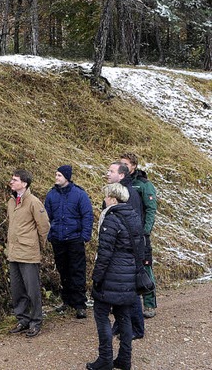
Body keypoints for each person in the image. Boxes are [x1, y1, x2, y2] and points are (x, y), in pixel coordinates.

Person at [87, 182, 143, 370]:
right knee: (124, 317)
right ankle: (124, 359)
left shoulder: (111, 219)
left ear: (112, 198)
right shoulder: (134, 217)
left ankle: (105, 359)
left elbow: (105, 253)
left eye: (105, 196)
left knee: (101, 315)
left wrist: (97, 278)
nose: (104, 200)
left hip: (111, 276)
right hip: (128, 276)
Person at [44, 164, 94, 319]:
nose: (56, 177)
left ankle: (80, 304)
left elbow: (87, 215)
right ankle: (67, 300)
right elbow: (46, 217)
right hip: (58, 239)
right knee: (63, 270)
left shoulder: (79, 194)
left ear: (66, 177)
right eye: (56, 174)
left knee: (77, 271)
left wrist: (84, 236)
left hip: (74, 239)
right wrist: (50, 235)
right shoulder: (51, 195)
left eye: (59, 175)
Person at [6, 169, 50, 338]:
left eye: (15, 179)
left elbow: (44, 226)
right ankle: (22, 319)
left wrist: (37, 246)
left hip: (28, 253)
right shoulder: (11, 201)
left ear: (24, 183)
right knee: (17, 290)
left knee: (32, 290)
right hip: (14, 252)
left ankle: (35, 321)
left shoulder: (33, 202)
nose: (11, 182)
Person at [105, 162, 145, 340]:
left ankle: (137, 327)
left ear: (121, 175)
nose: (107, 173)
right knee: (121, 290)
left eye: (111, 171)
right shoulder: (114, 191)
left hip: (128, 251)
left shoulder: (130, 194)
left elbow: (133, 223)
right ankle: (121, 324)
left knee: (130, 292)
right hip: (120, 249)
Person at [120, 152, 158, 318]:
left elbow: (151, 209)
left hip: (140, 235)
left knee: (145, 268)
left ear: (134, 166)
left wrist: (146, 231)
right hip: (124, 234)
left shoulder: (143, 184)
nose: (123, 166)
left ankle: (149, 304)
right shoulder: (119, 183)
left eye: (126, 164)